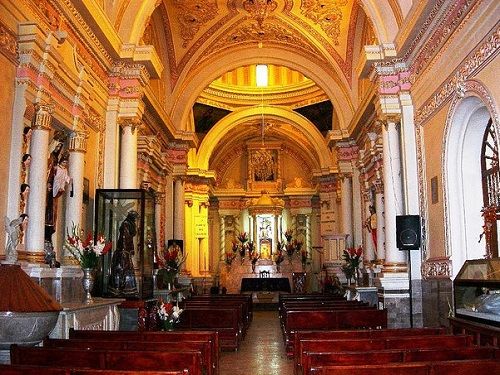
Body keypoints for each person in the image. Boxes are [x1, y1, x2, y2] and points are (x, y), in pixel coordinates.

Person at [108, 210, 139, 297]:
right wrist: (124, 250)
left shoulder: (130, 224)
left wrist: (131, 249)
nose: (135, 220)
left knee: (126, 270)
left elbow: (129, 239)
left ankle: (127, 290)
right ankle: (119, 289)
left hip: (126, 251)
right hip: (123, 251)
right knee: (121, 269)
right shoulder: (126, 224)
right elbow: (124, 238)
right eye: (135, 218)